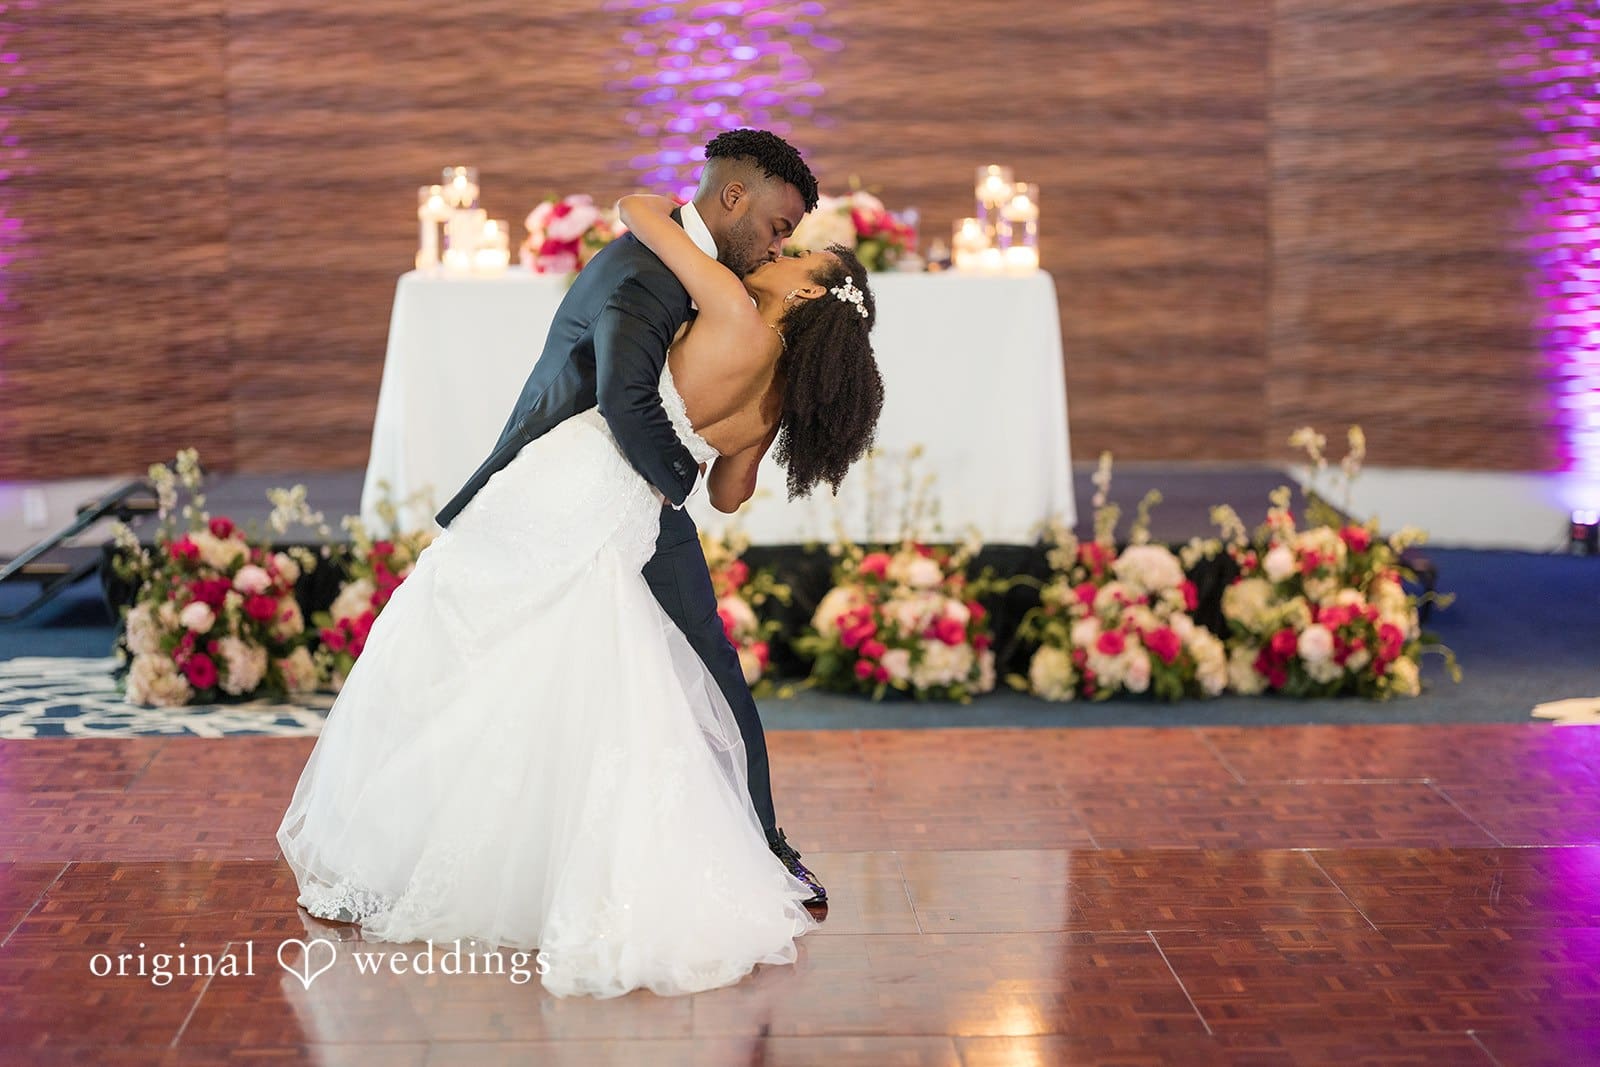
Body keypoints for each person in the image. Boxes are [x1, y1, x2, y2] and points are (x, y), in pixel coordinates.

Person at [276, 130, 885, 998]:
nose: (781, 250)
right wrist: (713, 450)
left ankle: (733, 847)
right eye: (782, 232)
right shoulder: (740, 346)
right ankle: (624, 855)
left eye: (795, 250)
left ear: (812, 291)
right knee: (592, 667)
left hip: (607, 485)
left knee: (579, 661)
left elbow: (636, 237)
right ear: (736, 199)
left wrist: (668, 473)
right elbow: (727, 489)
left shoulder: (725, 300)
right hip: (630, 494)